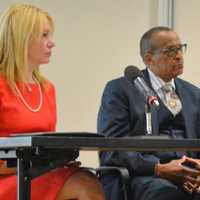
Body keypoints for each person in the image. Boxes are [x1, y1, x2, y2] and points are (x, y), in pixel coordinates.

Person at [0, 4, 105, 200]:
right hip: (8, 177)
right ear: (22, 38)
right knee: (85, 184)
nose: (52, 43)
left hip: (37, 172)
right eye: (44, 36)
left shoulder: (47, 89)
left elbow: (46, 140)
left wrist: (57, 160)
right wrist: (36, 165)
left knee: (88, 178)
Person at [97, 26, 200, 200]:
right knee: (168, 194)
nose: (179, 56)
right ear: (149, 59)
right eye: (170, 51)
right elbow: (112, 148)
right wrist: (158, 168)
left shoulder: (194, 94)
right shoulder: (120, 90)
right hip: (145, 175)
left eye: (180, 48)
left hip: (190, 173)